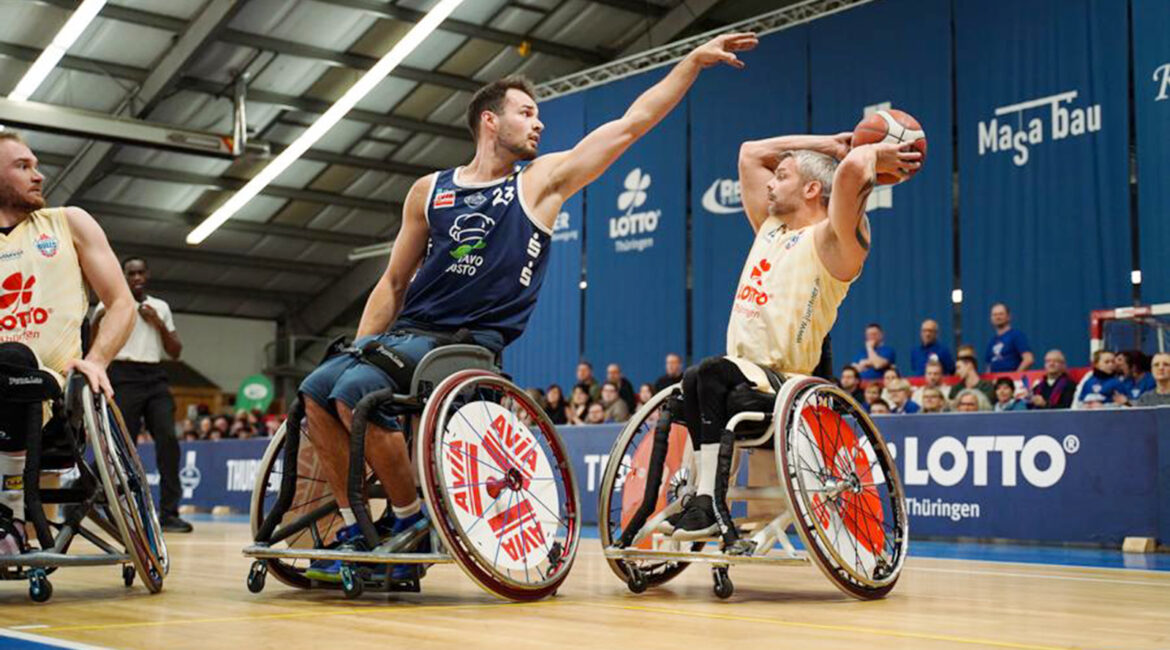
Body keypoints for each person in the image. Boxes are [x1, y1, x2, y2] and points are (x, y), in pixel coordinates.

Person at [295, 34, 760, 582]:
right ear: (490, 122)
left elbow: (631, 124)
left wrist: (690, 63)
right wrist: (360, 344)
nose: (538, 124)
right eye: (526, 113)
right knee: (318, 388)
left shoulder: (539, 184)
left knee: (356, 393)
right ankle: (354, 525)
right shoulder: (429, 190)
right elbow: (393, 282)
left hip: (466, 342)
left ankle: (408, 520)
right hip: (409, 333)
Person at [664, 126, 922, 542]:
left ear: (812, 189)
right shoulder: (769, 229)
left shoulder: (833, 242)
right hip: (738, 373)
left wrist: (867, 151)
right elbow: (750, 150)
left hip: (785, 382)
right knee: (695, 377)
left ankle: (710, 502)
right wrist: (829, 144)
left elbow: (854, 170)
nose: (769, 182)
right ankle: (703, 498)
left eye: (782, 176)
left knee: (709, 372)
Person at [0, 131, 136, 550]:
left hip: (53, 401)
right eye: (23, 166)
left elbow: (120, 303)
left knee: (13, 356)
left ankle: (9, 516)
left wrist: (96, 360)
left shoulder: (68, 222)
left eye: (36, 165)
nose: (38, 175)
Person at [92, 257, 192, 533]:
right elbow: (91, 345)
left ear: (147, 275)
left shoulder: (160, 306)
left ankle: (170, 513)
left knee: (169, 441)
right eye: (131, 273)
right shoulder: (109, 303)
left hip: (155, 375)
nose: (136, 277)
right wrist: (98, 319)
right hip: (123, 376)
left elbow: (175, 351)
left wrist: (158, 323)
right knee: (123, 445)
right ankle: (117, 507)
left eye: (140, 272)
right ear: (123, 276)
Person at [985, 303, 1033, 372]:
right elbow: (988, 367)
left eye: (1001, 314)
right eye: (994, 315)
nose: (997, 317)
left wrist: (1015, 377)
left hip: (1011, 381)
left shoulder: (1016, 335)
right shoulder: (991, 342)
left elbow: (1028, 359)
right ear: (991, 318)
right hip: (995, 381)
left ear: (1008, 316)